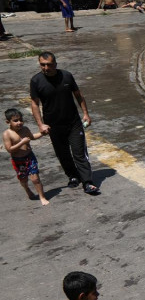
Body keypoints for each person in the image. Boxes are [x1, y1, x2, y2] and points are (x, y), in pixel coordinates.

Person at [29, 51, 98, 194]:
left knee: (79, 152)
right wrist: (40, 124)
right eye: (43, 65)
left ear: (55, 64)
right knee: (63, 153)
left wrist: (85, 113)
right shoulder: (36, 81)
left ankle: (87, 182)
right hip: (53, 124)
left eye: (49, 65)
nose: (46, 68)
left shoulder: (66, 76)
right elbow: (35, 104)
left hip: (73, 122)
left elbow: (78, 95)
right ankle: (73, 176)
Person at [4, 107, 49, 205]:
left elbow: (32, 137)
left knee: (35, 178)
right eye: (15, 121)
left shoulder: (25, 129)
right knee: (23, 179)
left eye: (21, 120)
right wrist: (22, 142)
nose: (19, 122)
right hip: (18, 160)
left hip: (29, 157)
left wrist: (42, 133)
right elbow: (9, 149)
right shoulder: (7, 134)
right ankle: (27, 189)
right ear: (8, 122)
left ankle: (42, 197)